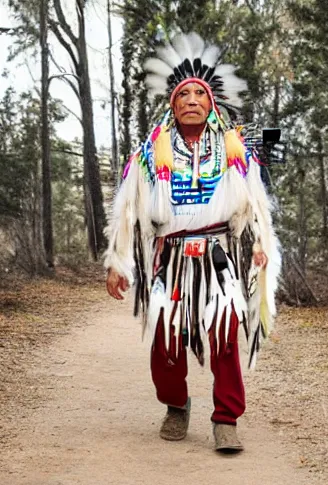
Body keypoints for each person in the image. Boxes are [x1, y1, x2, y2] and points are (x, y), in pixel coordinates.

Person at [104, 32, 280, 452]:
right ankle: (175, 405)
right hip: (171, 257)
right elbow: (127, 207)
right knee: (165, 335)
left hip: (219, 256)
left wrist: (259, 242)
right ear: (172, 104)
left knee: (223, 335)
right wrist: (118, 260)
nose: (192, 101)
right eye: (184, 95)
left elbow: (254, 202)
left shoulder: (234, 149)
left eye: (200, 94)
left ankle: (226, 418)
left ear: (212, 103)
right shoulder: (150, 153)